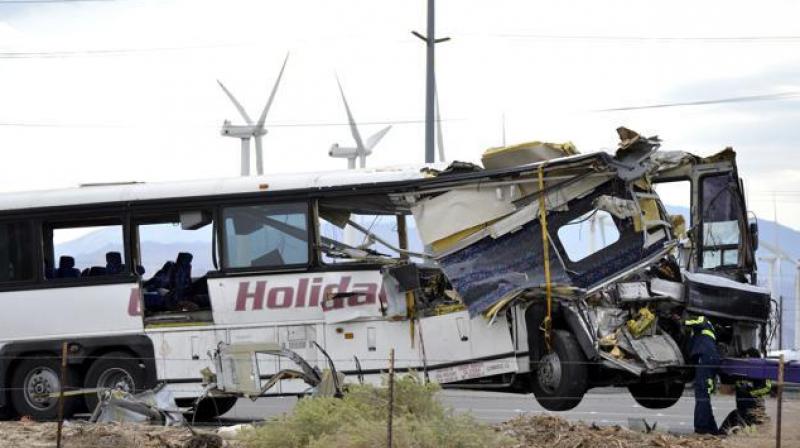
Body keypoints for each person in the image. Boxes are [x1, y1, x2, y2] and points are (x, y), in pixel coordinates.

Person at [685, 314, 721, 435]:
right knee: (704, 393)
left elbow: (696, 321)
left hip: (705, 357)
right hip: (709, 358)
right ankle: (712, 429)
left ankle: (701, 428)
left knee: (701, 393)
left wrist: (680, 320)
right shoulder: (705, 332)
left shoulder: (703, 319)